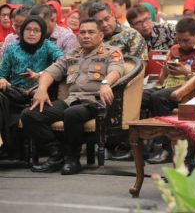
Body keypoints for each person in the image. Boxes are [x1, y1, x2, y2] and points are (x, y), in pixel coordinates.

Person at [21, 17, 124, 175]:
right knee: (29, 114)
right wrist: (41, 89)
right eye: (82, 32)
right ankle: (56, 152)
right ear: (78, 35)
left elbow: (116, 70)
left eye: (91, 32)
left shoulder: (111, 52)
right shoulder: (72, 54)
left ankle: (73, 159)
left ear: (101, 35)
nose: (86, 36)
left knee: (73, 113)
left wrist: (105, 83)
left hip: (95, 102)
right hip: (71, 100)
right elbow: (49, 72)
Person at [141, 17, 195, 164]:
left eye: (186, 40)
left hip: (188, 88)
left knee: (158, 97)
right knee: (140, 97)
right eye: (179, 40)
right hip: (167, 85)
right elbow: (162, 79)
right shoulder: (174, 49)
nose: (182, 44)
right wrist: (165, 69)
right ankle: (139, 145)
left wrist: (186, 72)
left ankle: (166, 147)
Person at [0, 16, 63, 158]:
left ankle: (7, 148)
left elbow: (62, 62)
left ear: (42, 33)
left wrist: (40, 75)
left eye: (36, 30)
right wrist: (2, 79)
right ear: (22, 32)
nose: (32, 33)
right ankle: (3, 146)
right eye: (28, 29)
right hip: (14, 94)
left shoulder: (47, 46)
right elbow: (1, 74)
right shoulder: (11, 49)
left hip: (39, 94)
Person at [2, 5, 78, 56]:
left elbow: (66, 64)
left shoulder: (66, 38)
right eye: (16, 26)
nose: (19, 30)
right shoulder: (11, 41)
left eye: (40, 24)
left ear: (52, 20)